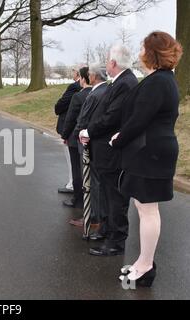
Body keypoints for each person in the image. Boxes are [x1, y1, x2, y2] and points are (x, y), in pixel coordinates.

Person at [111, 31, 183, 287]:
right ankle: (143, 262)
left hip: (150, 152)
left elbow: (139, 119)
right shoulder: (163, 79)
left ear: (151, 53)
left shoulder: (158, 82)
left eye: (143, 48)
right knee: (145, 208)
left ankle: (146, 266)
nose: (140, 52)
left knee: (148, 209)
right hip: (151, 150)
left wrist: (118, 139)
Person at [81, 45, 139, 256]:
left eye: (107, 60)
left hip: (111, 151)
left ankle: (116, 240)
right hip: (104, 149)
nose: (106, 64)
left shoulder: (126, 83)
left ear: (114, 63)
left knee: (115, 197)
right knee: (107, 194)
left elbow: (111, 117)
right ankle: (107, 229)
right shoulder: (122, 81)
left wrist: (89, 130)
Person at [70, 65, 108, 230]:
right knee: (98, 182)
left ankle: (92, 217)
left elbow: (83, 118)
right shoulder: (107, 90)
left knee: (91, 182)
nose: (88, 76)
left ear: (94, 76)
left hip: (89, 142)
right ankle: (98, 215)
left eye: (90, 74)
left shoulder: (94, 94)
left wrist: (78, 133)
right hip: (101, 143)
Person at [61, 67, 93, 209]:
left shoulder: (78, 96)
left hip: (76, 138)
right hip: (92, 136)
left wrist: (65, 135)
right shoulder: (97, 93)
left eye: (79, 77)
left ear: (83, 78)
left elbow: (71, 118)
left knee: (77, 170)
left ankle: (78, 199)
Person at [55, 68, 81, 194]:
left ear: (78, 73)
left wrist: (57, 108)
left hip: (70, 128)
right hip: (80, 129)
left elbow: (62, 103)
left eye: (74, 71)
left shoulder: (74, 87)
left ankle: (72, 184)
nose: (72, 74)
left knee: (71, 159)